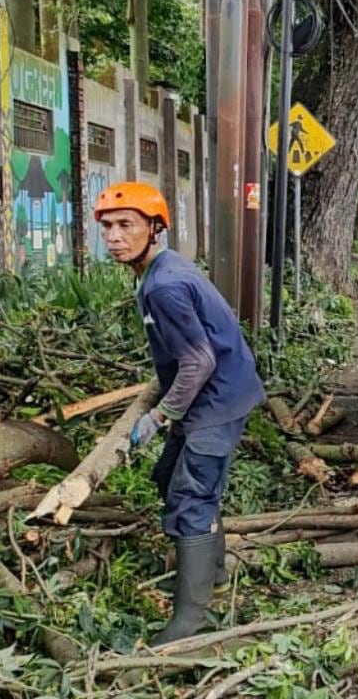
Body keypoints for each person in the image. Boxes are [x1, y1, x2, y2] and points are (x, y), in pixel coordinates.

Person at [93, 182, 265, 645]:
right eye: (107, 227)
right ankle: (214, 575)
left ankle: (193, 621)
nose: (113, 236)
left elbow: (199, 361)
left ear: (154, 228)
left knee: (191, 496)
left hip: (215, 398)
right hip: (211, 393)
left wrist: (160, 416)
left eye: (126, 225)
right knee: (172, 478)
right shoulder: (158, 272)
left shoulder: (164, 284)